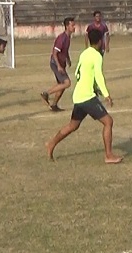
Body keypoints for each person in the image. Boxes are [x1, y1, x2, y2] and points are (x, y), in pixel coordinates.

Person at [45, 29, 123, 164]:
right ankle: (109, 155)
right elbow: (98, 75)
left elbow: (77, 72)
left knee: (73, 126)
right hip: (87, 97)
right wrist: (106, 94)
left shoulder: (84, 53)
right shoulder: (97, 55)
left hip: (78, 95)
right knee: (108, 122)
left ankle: (51, 143)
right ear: (100, 41)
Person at [41, 17, 76, 112]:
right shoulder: (62, 38)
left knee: (62, 85)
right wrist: (59, 66)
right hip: (56, 63)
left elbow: (64, 50)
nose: (74, 27)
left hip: (61, 63)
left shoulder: (68, 37)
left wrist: (68, 59)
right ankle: (46, 93)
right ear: (67, 26)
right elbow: (54, 53)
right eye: (72, 25)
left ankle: (54, 105)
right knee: (67, 83)